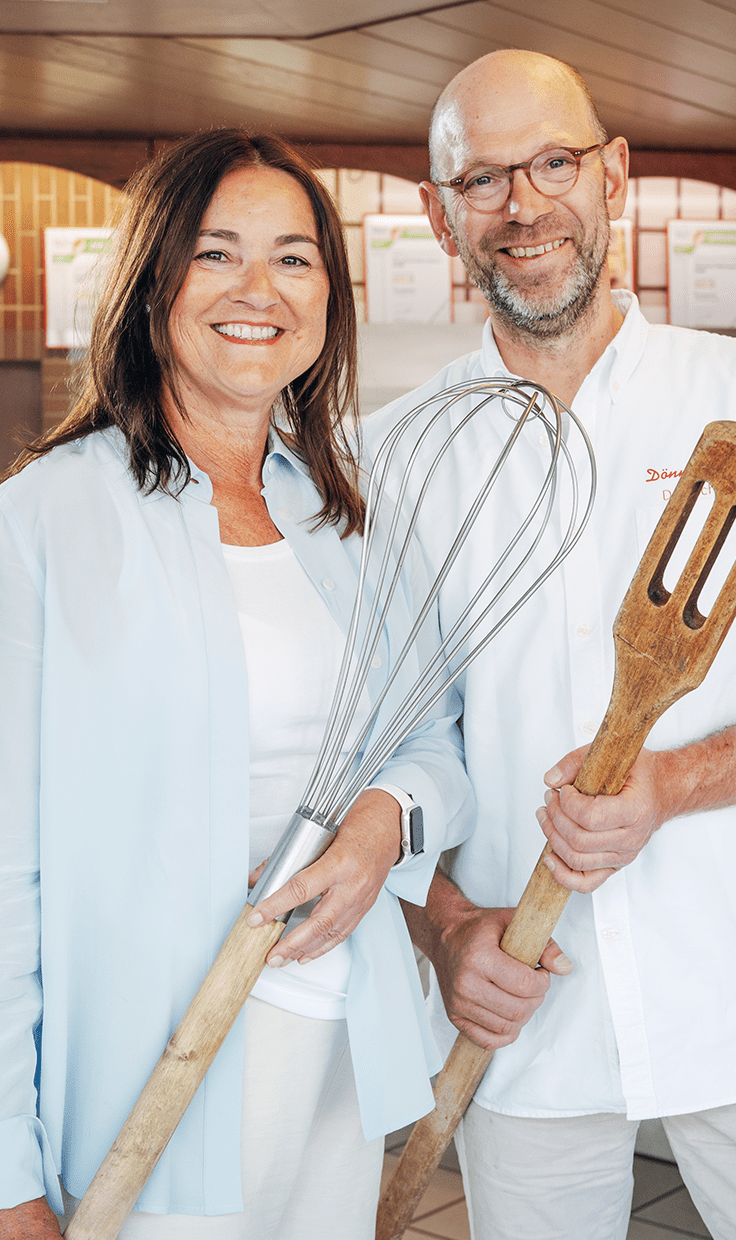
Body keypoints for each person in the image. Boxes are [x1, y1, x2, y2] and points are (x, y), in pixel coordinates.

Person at [364, 50, 736, 1240]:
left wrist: (671, 780)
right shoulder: (398, 457)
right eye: (483, 180)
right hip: (522, 1022)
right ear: (437, 211)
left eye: (554, 162)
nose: (525, 205)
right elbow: (388, 758)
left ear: (614, 174)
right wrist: (449, 925)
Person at [0, 129, 472, 1240]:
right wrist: (6, 1176)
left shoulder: (349, 525)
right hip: (137, 1090)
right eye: (217, 254)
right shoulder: (45, 522)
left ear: (329, 297)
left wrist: (380, 827)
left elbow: (440, 753)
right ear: (153, 283)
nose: (259, 290)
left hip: (331, 1066)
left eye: (295, 258)